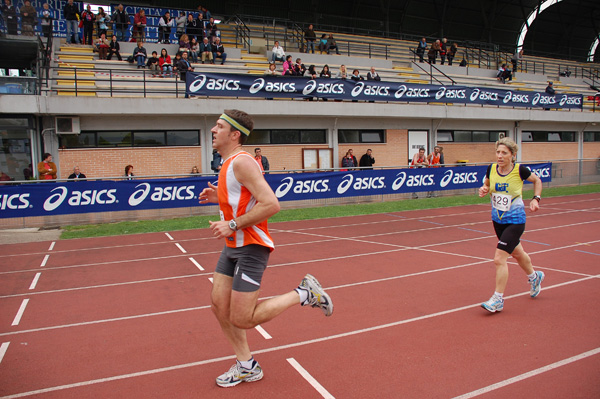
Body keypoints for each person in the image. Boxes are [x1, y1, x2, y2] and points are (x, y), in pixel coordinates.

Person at [198, 110, 333, 387]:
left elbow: (271, 204)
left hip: (251, 246)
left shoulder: (242, 162)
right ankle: (246, 365)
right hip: (232, 246)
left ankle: (304, 293)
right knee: (218, 306)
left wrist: (232, 223)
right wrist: (219, 198)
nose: (213, 129)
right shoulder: (227, 164)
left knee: (243, 318)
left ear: (235, 134)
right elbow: (243, 199)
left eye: (220, 126)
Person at [478, 137, 544, 313]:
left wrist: (536, 199)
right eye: (498, 152)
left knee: (499, 258)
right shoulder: (491, 168)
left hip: (515, 221)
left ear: (512, 155)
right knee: (517, 252)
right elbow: (486, 185)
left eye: (504, 153)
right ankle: (534, 276)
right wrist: (483, 189)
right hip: (497, 220)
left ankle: (497, 299)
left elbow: (537, 181)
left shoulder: (520, 170)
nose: (500, 156)